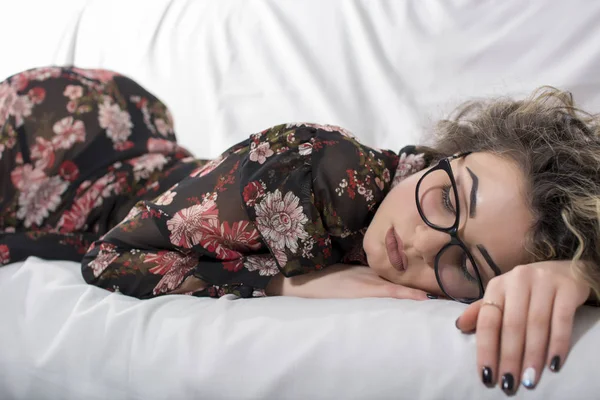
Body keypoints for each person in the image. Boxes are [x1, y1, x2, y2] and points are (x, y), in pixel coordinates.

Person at [0, 67, 598, 395]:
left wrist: (576, 271)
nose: (418, 242)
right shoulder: (321, 164)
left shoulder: (457, 221)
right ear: (446, 155)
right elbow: (108, 260)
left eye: (465, 264)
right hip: (65, 143)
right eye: (445, 198)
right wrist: (286, 285)